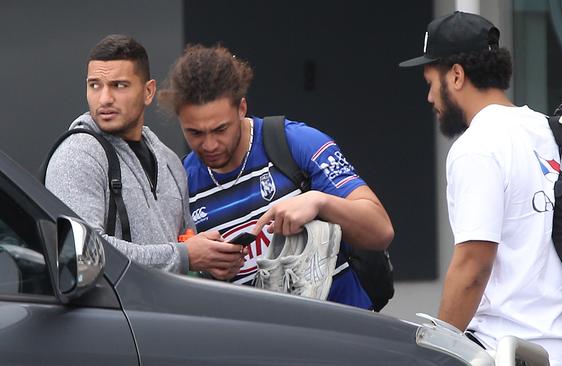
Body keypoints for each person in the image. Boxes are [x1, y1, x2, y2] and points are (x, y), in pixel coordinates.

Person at [399, 12, 562, 365]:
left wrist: (439, 351)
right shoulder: (546, 130)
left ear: (456, 75)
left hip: (510, 351)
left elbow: (473, 267)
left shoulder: (477, 147)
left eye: (431, 81)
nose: (429, 97)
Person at [158, 44, 394, 309]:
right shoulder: (180, 181)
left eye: (220, 129)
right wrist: (205, 269)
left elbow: (380, 230)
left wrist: (320, 202)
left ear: (241, 108)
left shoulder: (296, 142)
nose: (210, 144)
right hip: (263, 345)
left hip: (347, 333)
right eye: (195, 133)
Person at [45, 35, 245, 278]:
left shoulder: (170, 161)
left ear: (148, 92)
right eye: (95, 85)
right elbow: (80, 254)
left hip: (165, 314)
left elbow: (184, 250)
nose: (105, 98)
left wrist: (210, 260)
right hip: (110, 315)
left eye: (119, 85)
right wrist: (185, 255)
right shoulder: (77, 155)